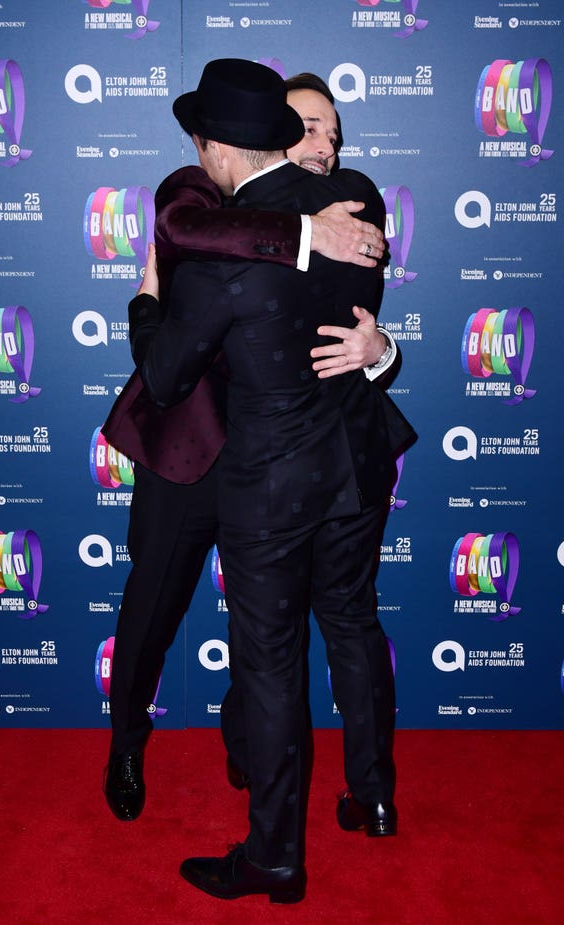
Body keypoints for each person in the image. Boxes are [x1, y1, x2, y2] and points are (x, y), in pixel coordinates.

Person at [133, 58, 416, 903]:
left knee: (269, 664)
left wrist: (146, 301)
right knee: (350, 628)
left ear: (221, 148)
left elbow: (167, 375)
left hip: (267, 486)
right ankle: (372, 795)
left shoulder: (222, 249)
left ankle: (275, 855)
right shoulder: (355, 216)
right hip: (347, 474)